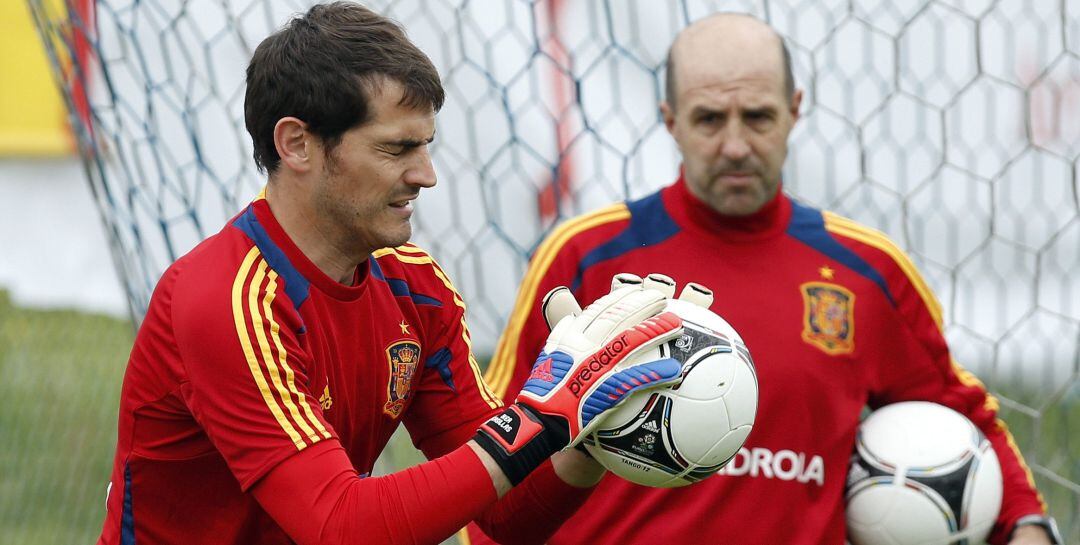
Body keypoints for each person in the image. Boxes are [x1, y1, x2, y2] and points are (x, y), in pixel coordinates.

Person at [94, 3, 699, 544]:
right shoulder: (227, 300)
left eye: (426, 145)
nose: (426, 175)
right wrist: (542, 417)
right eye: (397, 148)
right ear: (297, 144)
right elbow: (340, 527)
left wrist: (595, 432)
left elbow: (505, 515)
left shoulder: (416, 288)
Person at [468, 12, 1060, 545]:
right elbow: (493, 449)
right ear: (670, 121)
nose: (735, 146)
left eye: (757, 117)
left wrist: (1027, 525)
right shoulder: (586, 257)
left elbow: (961, 415)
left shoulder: (866, 271)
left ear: (794, 110)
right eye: (708, 119)